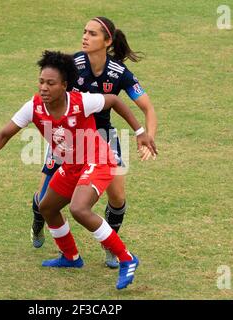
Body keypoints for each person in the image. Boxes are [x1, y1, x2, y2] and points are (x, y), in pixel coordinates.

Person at [0, 51, 153, 289]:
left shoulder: (82, 101)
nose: (44, 87)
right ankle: (71, 257)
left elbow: (113, 101)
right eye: (41, 81)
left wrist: (140, 131)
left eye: (50, 83)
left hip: (98, 159)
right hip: (72, 164)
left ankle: (127, 258)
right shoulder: (34, 107)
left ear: (64, 85)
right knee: (46, 206)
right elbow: (4, 134)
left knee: (79, 209)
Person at [30, 17, 158, 269]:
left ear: (107, 41)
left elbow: (147, 107)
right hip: (66, 136)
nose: (85, 37)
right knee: (44, 197)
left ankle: (111, 247)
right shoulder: (73, 65)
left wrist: (147, 136)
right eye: (84, 32)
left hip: (102, 137)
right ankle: (37, 222)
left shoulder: (119, 73)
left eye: (92, 33)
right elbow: (48, 84)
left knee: (118, 197)